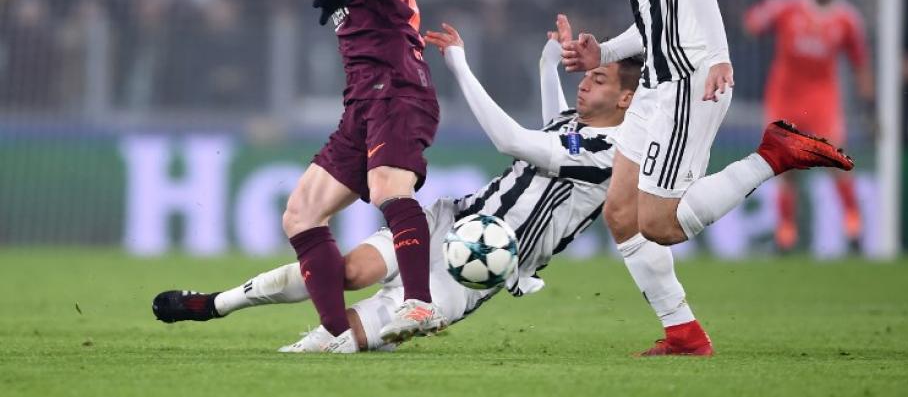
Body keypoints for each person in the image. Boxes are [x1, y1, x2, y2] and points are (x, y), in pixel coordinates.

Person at [152, 20, 643, 353]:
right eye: (588, 76)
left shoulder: (612, 151)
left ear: (626, 99)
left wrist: (459, 65)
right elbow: (552, 113)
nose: (585, 84)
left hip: (477, 269)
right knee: (347, 271)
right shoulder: (575, 125)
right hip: (452, 219)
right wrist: (549, 59)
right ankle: (215, 304)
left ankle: (303, 352)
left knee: (345, 341)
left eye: (598, 80)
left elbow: (510, 140)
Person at [563, 0, 854, 355]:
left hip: (687, 79)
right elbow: (660, 13)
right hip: (656, 80)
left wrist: (718, 57)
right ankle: (684, 333)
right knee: (620, 212)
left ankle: (773, 155)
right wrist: (605, 51)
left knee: (660, 224)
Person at [252, 0, 442, 351]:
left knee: (387, 188)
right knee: (300, 213)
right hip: (362, 101)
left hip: (398, 89)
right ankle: (338, 333)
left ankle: (419, 303)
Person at [744, 0, 874, 251]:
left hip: (822, 101)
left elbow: (860, 63)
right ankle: (786, 235)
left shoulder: (847, 19)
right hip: (784, 98)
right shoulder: (786, 6)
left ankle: (853, 226)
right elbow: (752, 23)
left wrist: (870, 105)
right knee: (785, 167)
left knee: (835, 160)